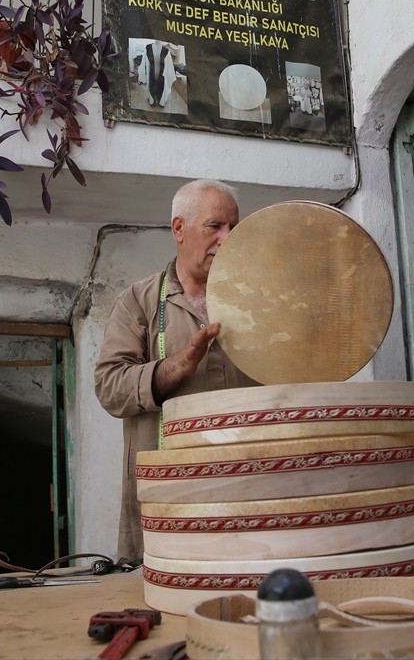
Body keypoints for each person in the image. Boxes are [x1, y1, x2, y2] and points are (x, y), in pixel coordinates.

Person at [94, 179, 259, 559]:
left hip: (248, 493)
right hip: (168, 500)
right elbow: (110, 387)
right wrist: (178, 365)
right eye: (215, 226)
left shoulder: (259, 298)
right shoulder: (138, 302)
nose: (228, 237)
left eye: (234, 226)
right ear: (179, 229)